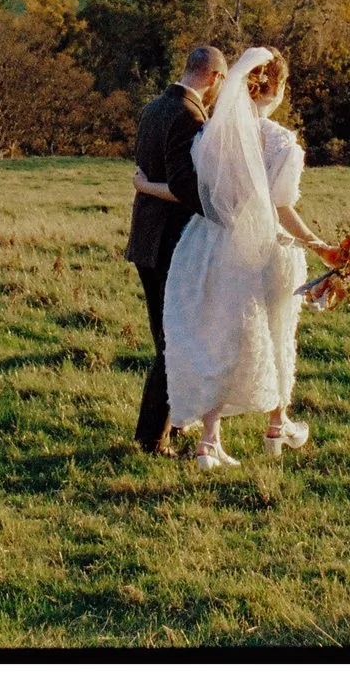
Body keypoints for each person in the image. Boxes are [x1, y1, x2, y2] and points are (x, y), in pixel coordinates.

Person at [136, 47, 339, 465]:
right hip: (259, 246)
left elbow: (205, 194)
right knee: (274, 333)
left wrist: (146, 186)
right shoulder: (280, 141)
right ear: (277, 88)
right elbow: (279, 206)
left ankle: (210, 439)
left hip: (207, 247)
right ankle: (275, 425)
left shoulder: (211, 133)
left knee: (215, 336)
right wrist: (319, 245)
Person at [125, 43, 223, 456]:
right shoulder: (189, 115)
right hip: (169, 242)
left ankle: (173, 420)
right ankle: (152, 439)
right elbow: (187, 188)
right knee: (174, 340)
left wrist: (146, 186)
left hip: (145, 238)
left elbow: (150, 167)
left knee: (166, 337)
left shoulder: (152, 108)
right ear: (215, 78)